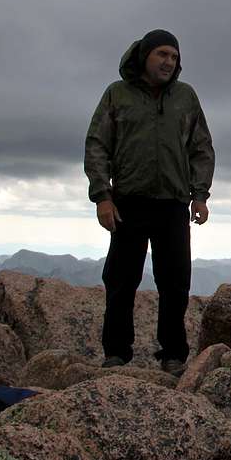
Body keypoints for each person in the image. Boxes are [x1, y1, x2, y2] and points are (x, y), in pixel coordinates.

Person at [84, 29, 214, 376]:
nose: (168, 62)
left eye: (174, 56)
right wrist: (102, 196)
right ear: (144, 56)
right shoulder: (118, 94)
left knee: (175, 282)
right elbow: (98, 144)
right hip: (128, 202)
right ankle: (115, 354)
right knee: (121, 280)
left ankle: (173, 355)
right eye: (162, 54)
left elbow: (201, 148)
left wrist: (199, 195)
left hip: (173, 204)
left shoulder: (185, 97)